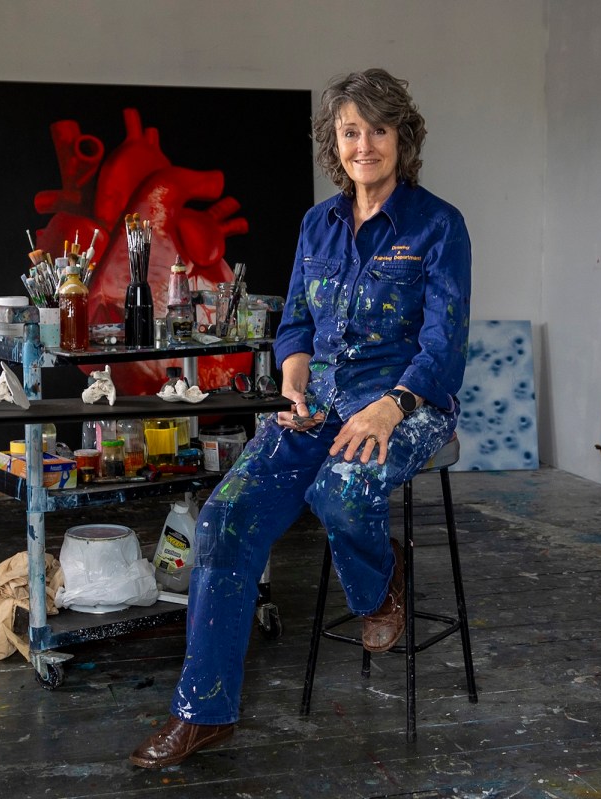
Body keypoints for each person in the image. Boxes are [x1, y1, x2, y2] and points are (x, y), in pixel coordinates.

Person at [129, 67, 472, 769]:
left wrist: (392, 403)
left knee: (339, 488)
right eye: (351, 131)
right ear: (334, 143)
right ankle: (205, 712)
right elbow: (296, 324)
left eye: (379, 130)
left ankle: (383, 581)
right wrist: (292, 377)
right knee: (224, 516)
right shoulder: (317, 225)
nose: (365, 144)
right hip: (317, 406)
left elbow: (445, 344)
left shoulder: (438, 225)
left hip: (408, 404)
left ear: (402, 140)